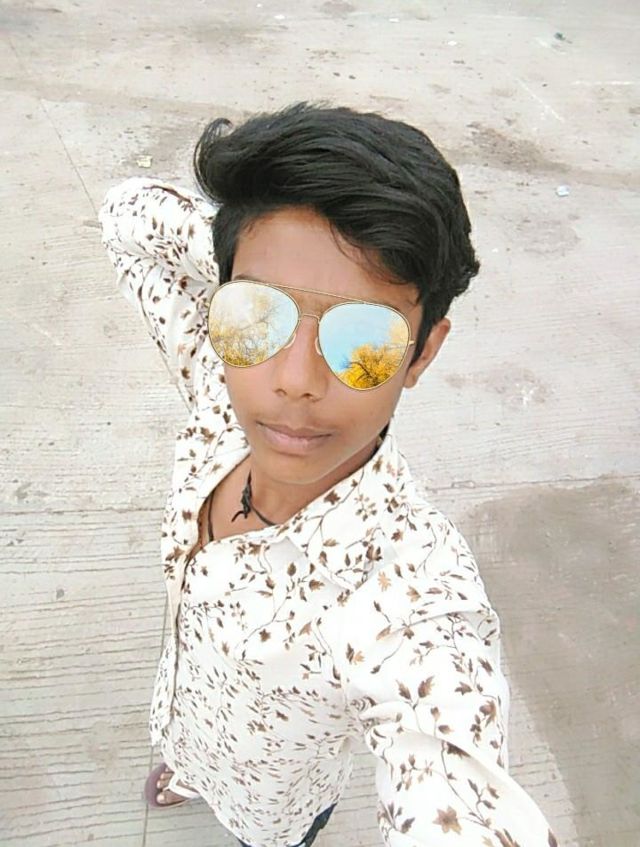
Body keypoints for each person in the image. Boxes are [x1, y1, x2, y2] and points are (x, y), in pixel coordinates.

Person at [98, 102, 558, 847]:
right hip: (182, 714)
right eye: (255, 315)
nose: (295, 379)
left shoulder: (408, 595)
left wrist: (276, 286)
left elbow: (456, 782)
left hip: (273, 807)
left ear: (423, 351)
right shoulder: (216, 386)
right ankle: (185, 770)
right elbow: (126, 214)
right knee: (183, 752)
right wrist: (250, 263)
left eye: (363, 339)